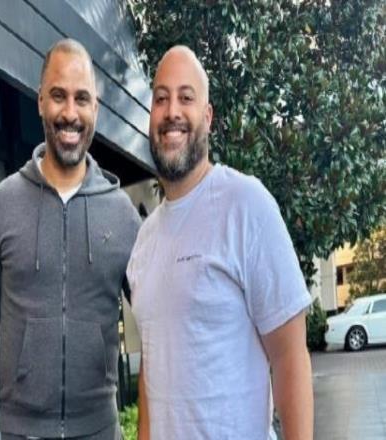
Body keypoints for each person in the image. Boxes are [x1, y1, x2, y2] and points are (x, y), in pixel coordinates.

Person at [0, 39, 140, 440]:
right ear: (40, 101)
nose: (69, 113)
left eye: (81, 98)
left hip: (99, 429)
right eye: (58, 96)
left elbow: (159, 327)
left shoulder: (124, 215)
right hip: (21, 432)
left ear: (95, 109)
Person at [127, 46, 314, 440]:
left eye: (186, 97)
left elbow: (290, 357)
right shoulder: (144, 240)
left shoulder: (246, 205)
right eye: (161, 98)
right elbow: (152, 369)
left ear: (207, 117)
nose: (172, 111)